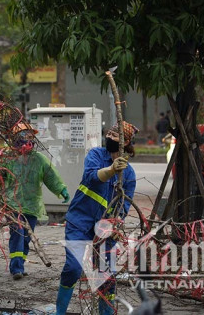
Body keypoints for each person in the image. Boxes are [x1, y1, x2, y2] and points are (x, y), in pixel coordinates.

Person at [55, 121, 139, 315]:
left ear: (125, 143)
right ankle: (59, 312)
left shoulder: (129, 175)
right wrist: (111, 170)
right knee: (73, 268)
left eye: (114, 135)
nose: (109, 137)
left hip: (105, 230)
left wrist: (117, 226)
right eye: (108, 133)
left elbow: (123, 206)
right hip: (80, 219)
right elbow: (91, 177)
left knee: (106, 277)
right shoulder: (95, 155)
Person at [0, 121, 69, 280]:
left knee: (27, 238)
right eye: (24, 136)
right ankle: (16, 268)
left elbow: (51, 176)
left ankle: (19, 263)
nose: (28, 140)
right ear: (15, 139)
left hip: (32, 206)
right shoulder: (7, 158)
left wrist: (61, 190)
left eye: (30, 136)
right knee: (18, 234)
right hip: (13, 204)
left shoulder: (39, 159)